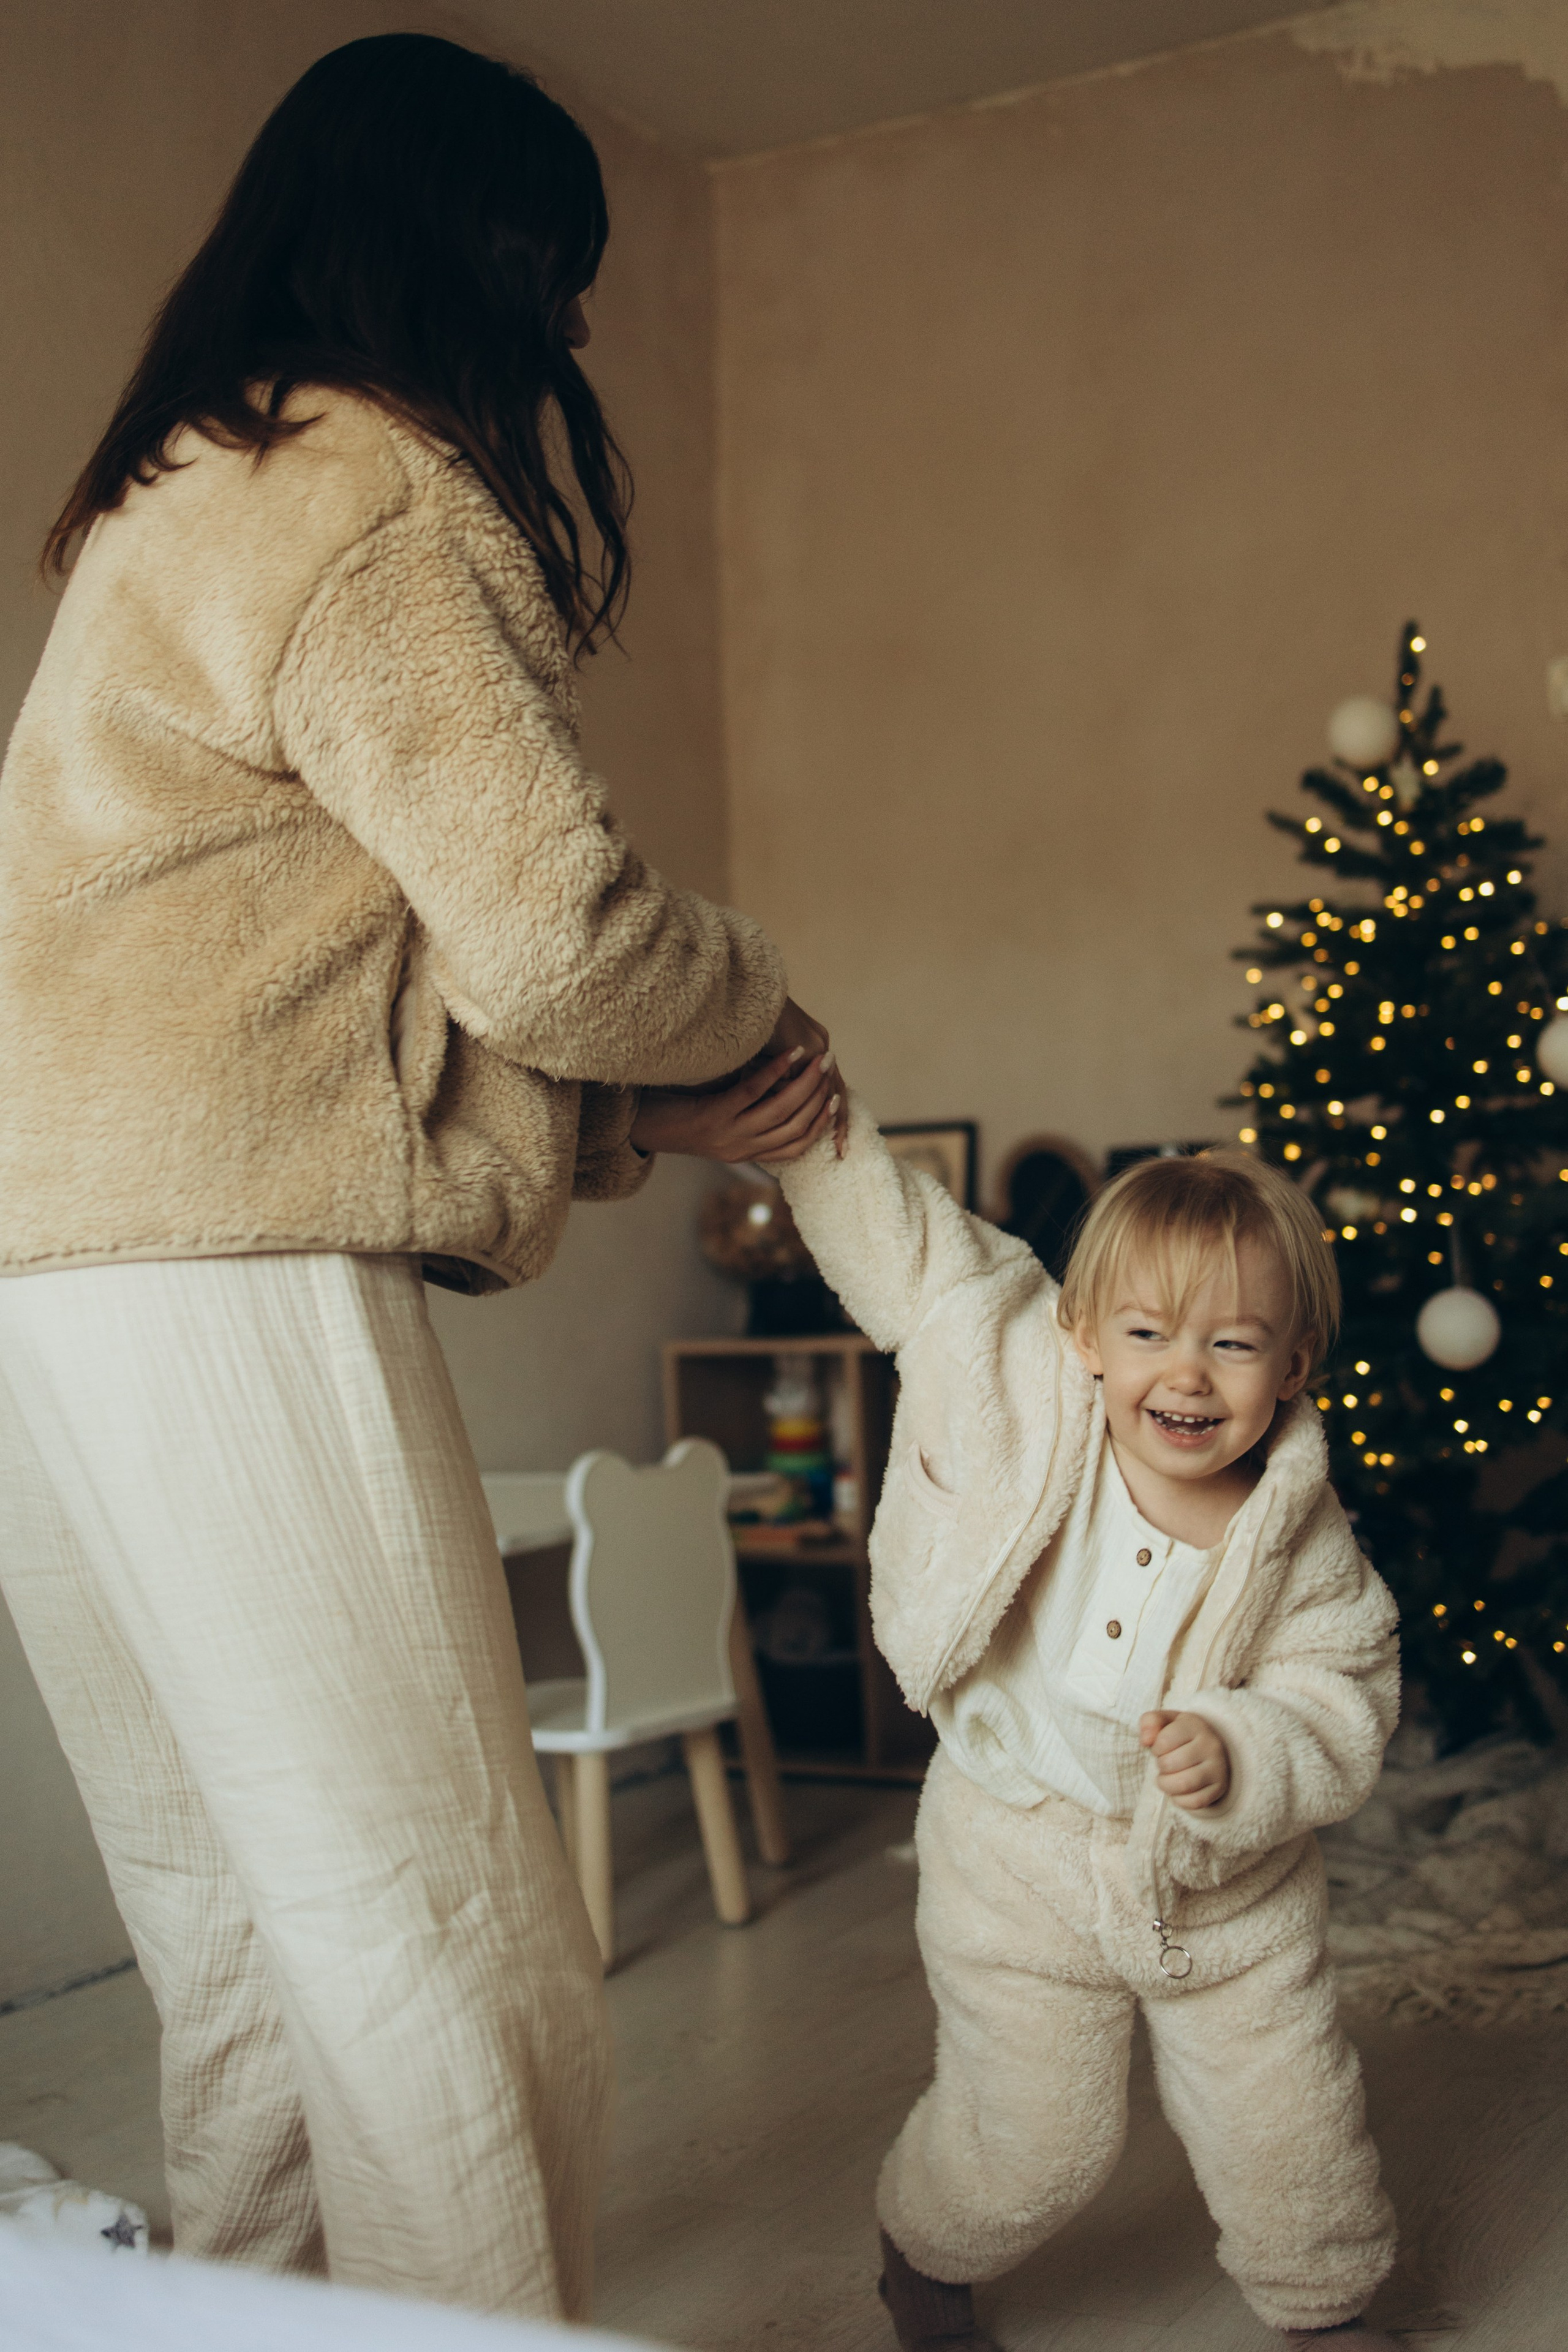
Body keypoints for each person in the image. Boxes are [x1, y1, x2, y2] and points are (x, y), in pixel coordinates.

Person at [0, 32, 838, 2324]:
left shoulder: (181, 491)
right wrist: (751, 1008)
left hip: (50, 1271)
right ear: (457, 245)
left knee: (246, 1926)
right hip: (226, 1271)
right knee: (440, 1919)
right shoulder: (362, 492)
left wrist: (641, 1117)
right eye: (551, 277)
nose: (565, 332)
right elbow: (563, 939)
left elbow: (279, 996)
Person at [773, 1101, 1403, 2351]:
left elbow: (1341, 1697)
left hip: (1224, 1886)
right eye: (1147, 1333)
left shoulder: (1300, 1536)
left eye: (1232, 1344)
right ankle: (926, 2245)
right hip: (1013, 1853)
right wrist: (800, 1131)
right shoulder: (1024, 1394)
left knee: (1288, 2117)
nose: (1185, 1373)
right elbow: (915, 1255)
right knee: (1036, 2137)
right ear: (1083, 1339)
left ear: (1291, 1369)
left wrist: (1241, 1750)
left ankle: (1324, 2310)